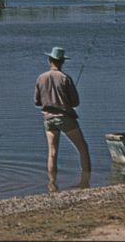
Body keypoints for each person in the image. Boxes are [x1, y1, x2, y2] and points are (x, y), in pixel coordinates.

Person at [34, 47, 91, 186]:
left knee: (52, 152)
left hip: (48, 119)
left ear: (50, 60)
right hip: (65, 117)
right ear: (62, 62)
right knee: (83, 148)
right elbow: (75, 102)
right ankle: (86, 183)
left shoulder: (41, 78)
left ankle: (52, 184)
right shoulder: (65, 78)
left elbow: (37, 102)